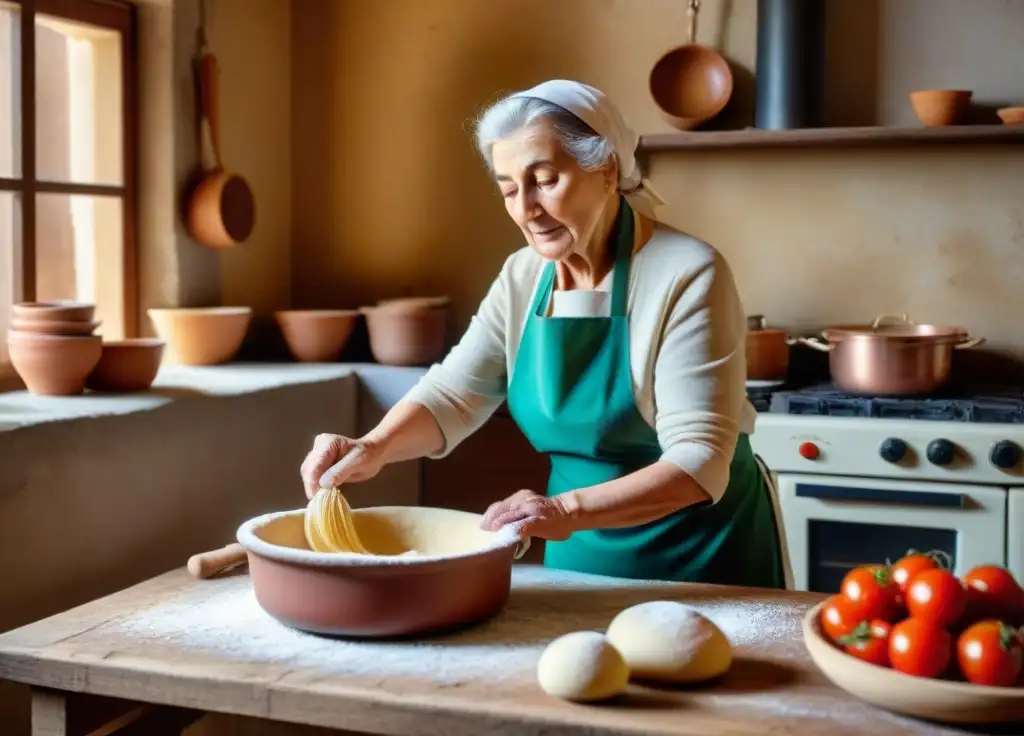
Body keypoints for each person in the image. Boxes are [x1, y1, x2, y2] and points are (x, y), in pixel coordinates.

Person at [300, 79, 787, 589]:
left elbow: (699, 463)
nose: (526, 209)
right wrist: (373, 446)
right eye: (509, 189)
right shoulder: (523, 276)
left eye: (545, 180)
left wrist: (562, 509)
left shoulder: (687, 272)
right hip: (578, 552)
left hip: (702, 559)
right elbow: (453, 396)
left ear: (607, 169)